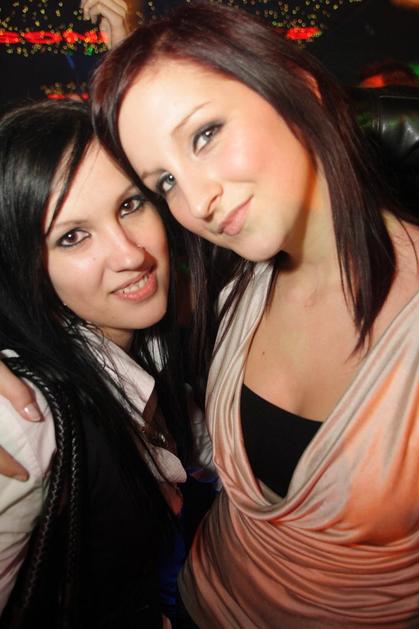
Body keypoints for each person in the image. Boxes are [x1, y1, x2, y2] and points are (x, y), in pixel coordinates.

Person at [1, 3, 418, 627]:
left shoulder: (224, 267)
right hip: (200, 592)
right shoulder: (235, 276)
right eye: (164, 182)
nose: (196, 203)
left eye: (205, 135)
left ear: (297, 89)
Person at [0, 99, 213, 628]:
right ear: (23, 267)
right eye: (72, 236)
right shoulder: (25, 418)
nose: (131, 254)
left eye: (130, 205)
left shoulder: (155, 346)